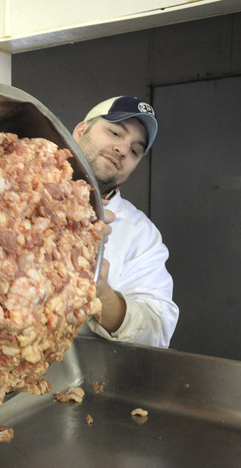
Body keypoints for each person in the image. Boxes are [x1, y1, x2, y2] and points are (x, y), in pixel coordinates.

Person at [72, 96, 179, 348]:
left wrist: (102, 294)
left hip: (72, 379)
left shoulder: (141, 233)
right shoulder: (21, 184)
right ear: (80, 130)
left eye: (135, 151)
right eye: (114, 132)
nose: (122, 150)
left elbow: (158, 329)